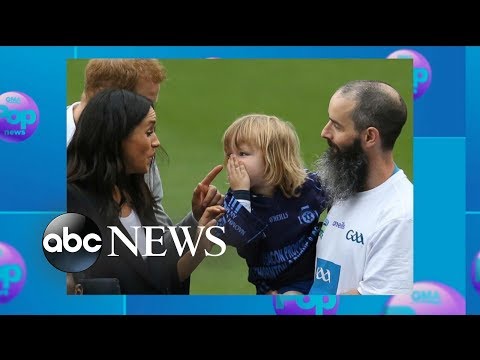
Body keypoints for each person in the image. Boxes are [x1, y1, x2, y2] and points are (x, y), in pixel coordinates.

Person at [67, 89, 224, 294]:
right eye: (148, 132)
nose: (156, 142)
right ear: (116, 138)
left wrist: (198, 227)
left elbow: (159, 276)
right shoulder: (71, 201)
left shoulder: (136, 193)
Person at [67, 59, 210, 227]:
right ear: (104, 96)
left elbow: (156, 232)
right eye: (144, 103)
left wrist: (195, 222)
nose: (150, 112)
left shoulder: (137, 149)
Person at [309, 80, 413, 295]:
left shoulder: (401, 216)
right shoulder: (346, 183)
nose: (324, 132)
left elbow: (376, 302)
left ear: (369, 137)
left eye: (336, 126)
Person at [212, 114, 328, 295]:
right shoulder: (237, 199)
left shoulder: (307, 186)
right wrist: (241, 194)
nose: (232, 162)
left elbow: (344, 198)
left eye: (242, 154)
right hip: (268, 288)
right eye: (229, 155)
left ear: (274, 157)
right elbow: (237, 238)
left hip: (310, 280)